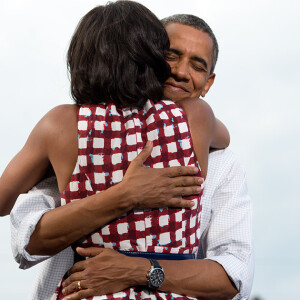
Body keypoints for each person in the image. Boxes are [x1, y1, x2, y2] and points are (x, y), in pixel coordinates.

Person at [10, 8, 253, 300]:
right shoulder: (79, 138)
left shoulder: (70, 132)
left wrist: (138, 270)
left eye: (197, 66)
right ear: (147, 55)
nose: (180, 71)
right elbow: (27, 242)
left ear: (208, 83)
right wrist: (126, 195)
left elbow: (235, 275)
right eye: (172, 56)